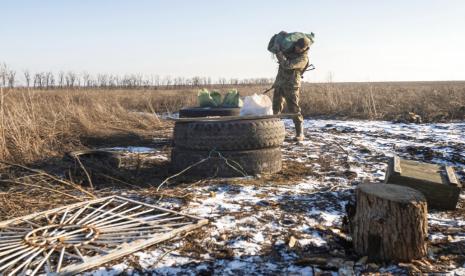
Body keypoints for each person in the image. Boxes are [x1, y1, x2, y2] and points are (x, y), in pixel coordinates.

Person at [272, 36, 310, 141]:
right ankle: (274, 131)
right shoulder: (289, 51)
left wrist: (279, 53)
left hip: (291, 85)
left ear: (305, 48)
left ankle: (299, 133)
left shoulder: (303, 58)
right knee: (275, 109)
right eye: (297, 46)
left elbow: (287, 65)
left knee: (294, 109)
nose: (297, 49)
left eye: (300, 48)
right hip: (280, 83)